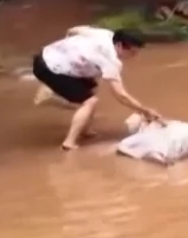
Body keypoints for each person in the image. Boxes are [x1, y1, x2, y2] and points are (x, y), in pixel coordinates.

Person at [31, 27, 162, 151]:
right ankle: (68, 143)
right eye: (132, 52)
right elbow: (121, 95)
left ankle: (84, 129)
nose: (134, 56)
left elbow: (74, 30)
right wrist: (144, 110)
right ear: (119, 45)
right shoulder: (110, 60)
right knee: (90, 101)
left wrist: (68, 49)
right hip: (50, 69)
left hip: (46, 55)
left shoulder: (105, 34)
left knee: (91, 89)